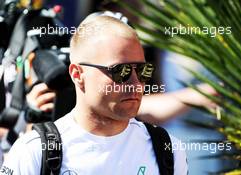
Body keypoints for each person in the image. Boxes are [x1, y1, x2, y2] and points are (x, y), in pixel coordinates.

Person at [0, 15, 188, 174]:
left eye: (142, 70)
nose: (135, 83)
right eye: (120, 71)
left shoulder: (168, 149)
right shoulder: (33, 151)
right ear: (77, 74)